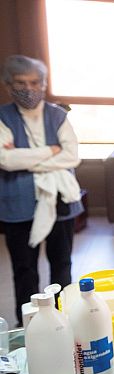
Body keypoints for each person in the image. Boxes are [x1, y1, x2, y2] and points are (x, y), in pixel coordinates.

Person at [0, 55, 82, 327]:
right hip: (18, 205)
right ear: (8, 85)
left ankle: (62, 320)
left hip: (60, 201)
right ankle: (30, 325)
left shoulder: (58, 116)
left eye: (35, 82)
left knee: (62, 264)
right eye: (21, 83)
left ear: (44, 84)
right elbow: (5, 160)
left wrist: (25, 158)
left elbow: (71, 156)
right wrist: (51, 151)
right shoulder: (3, 117)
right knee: (25, 269)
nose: (29, 88)